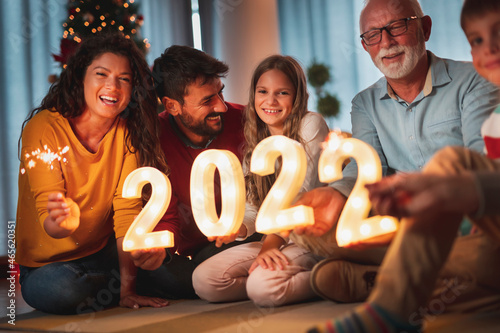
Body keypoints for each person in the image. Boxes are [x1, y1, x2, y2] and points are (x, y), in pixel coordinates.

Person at [291, 0, 500, 304]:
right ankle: (427, 275)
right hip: (402, 224)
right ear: (365, 46)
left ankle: (381, 283)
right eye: (373, 35)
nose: (386, 42)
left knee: (487, 256)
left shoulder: (474, 80)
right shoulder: (365, 103)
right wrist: (336, 195)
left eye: (397, 27)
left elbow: (482, 162)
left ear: (424, 28)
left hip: (463, 222)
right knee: (305, 227)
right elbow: (363, 170)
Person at [16, 33, 171, 314]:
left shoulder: (127, 134)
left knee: (167, 269)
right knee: (62, 291)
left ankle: (121, 283)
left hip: (103, 252)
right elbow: (49, 219)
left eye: (124, 78)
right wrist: (62, 221)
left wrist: (128, 290)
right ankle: (121, 283)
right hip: (48, 265)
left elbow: (126, 213)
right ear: (80, 78)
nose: (112, 86)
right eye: (101, 74)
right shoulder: (44, 128)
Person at [192, 55, 329, 307]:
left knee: (264, 288)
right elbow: (254, 208)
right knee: (205, 280)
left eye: (282, 93)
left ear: (297, 96)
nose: (270, 101)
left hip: (311, 237)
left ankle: (329, 275)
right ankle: (271, 281)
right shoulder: (253, 142)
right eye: (263, 91)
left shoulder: (311, 125)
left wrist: (270, 245)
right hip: (272, 240)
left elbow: (302, 195)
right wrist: (239, 228)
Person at [149, 45, 261, 298]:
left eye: (220, 94)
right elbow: (163, 211)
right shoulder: (155, 138)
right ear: (172, 106)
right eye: (207, 100)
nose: (221, 107)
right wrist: (161, 251)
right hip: (197, 252)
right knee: (162, 272)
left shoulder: (246, 119)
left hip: (250, 235)